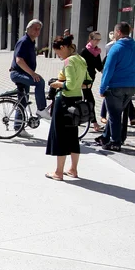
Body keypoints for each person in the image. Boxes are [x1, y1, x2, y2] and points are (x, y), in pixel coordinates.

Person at [95, 22, 135, 152]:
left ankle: (115, 142)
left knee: (115, 115)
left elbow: (108, 70)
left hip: (116, 86)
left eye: (115, 32)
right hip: (132, 86)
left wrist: (102, 87)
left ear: (118, 32)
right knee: (115, 113)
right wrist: (131, 78)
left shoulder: (116, 48)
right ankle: (105, 137)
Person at [45, 35, 87, 180]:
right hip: (76, 100)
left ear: (63, 47)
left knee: (60, 136)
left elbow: (69, 85)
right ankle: (73, 169)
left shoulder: (68, 61)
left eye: (58, 52)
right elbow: (87, 82)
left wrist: (57, 84)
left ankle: (58, 172)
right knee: (73, 136)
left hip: (64, 101)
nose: (58, 56)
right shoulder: (81, 59)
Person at [10, 19, 51, 125]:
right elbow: (19, 60)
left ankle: (18, 126)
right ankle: (41, 109)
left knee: (23, 101)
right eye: (35, 28)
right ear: (28, 29)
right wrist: (33, 73)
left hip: (23, 74)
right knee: (39, 81)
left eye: (39, 29)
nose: (37, 31)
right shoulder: (24, 41)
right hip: (18, 74)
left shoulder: (31, 42)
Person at [79, 31, 104, 132]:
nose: (97, 41)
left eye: (99, 39)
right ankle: (94, 123)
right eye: (96, 39)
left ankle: (80, 118)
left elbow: (99, 66)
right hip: (83, 80)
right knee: (90, 101)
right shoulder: (84, 51)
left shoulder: (96, 52)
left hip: (91, 80)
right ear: (90, 39)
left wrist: (107, 76)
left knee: (84, 100)